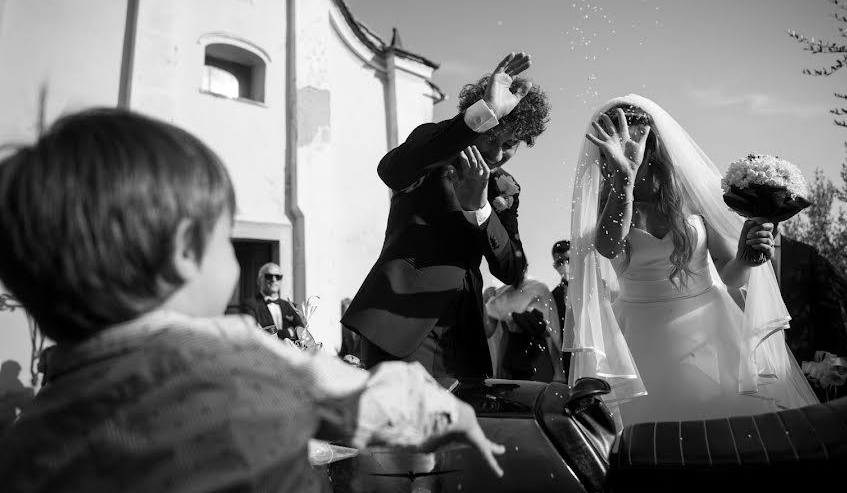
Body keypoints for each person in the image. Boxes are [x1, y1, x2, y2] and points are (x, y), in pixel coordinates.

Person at [0, 108, 505, 491]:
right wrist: (456, 417)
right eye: (225, 238)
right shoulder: (240, 362)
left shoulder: (29, 436)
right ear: (184, 252)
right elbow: (379, 403)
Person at [564, 95, 819, 427]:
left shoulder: (692, 193)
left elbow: (730, 277)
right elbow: (608, 247)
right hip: (641, 339)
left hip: (711, 329)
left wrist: (746, 257)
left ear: (653, 143)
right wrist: (624, 181)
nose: (626, 145)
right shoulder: (609, 202)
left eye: (635, 136)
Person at [342, 52, 550, 379]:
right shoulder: (433, 150)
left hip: (465, 341)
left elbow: (512, 270)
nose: (497, 154)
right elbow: (391, 170)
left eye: (509, 144)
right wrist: (486, 112)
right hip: (401, 327)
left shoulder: (505, 189)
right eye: (491, 136)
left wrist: (479, 209)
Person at [773, 231, 847, 400]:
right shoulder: (733, 253)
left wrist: (835, 358)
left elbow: (829, 310)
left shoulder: (805, 254)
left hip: (805, 375)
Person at [484, 276, 566, 382]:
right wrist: (485, 300)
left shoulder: (539, 289)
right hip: (510, 355)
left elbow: (552, 329)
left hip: (537, 356)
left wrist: (529, 322)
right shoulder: (501, 294)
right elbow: (488, 331)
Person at [239, 262, 307, 342]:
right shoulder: (249, 305)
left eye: (278, 277)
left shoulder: (290, 306)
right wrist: (289, 331)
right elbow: (254, 333)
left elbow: (302, 333)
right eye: (269, 276)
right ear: (259, 281)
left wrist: (269, 333)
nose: (273, 279)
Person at [550, 240, 572, 377]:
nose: (565, 265)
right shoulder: (553, 296)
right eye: (560, 262)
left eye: (569, 259)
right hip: (569, 360)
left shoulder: (592, 286)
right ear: (554, 266)